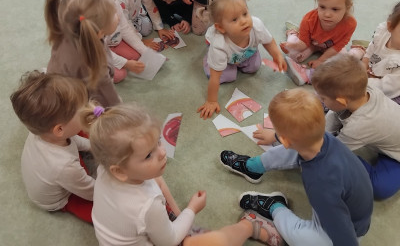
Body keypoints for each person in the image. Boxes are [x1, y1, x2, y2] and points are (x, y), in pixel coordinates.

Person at [81, 103, 283, 246]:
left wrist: (179, 217)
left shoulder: (106, 168)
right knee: (216, 241)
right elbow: (169, 241)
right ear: (119, 171)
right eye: (149, 155)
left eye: (158, 142)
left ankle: (181, 222)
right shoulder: (147, 206)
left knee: (158, 184)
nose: (162, 153)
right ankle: (250, 225)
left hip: (135, 230)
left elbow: (155, 184)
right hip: (158, 236)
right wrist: (191, 210)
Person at [220, 88, 373, 246]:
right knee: (299, 146)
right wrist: (276, 136)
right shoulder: (321, 137)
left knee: (301, 239)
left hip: (350, 228)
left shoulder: (320, 184)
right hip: (343, 199)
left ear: (284, 140)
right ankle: (254, 167)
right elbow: (297, 135)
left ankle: (275, 207)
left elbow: (344, 235)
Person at [311, 53, 400, 200]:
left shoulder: (358, 126)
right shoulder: (366, 88)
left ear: (341, 101)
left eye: (323, 98)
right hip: (388, 133)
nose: (319, 99)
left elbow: (331, 150)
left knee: (379, 189)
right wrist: (323, 132)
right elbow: (335, 112)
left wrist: (311, 144)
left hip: (396, 156)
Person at [10, 71, 95, 223]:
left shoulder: (43, 131)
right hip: (60, 199)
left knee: (79, 133)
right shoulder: (64, 166)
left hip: (57, 168)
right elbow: (91, 191)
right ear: (59, 129)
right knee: (103, 213)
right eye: (83, 110)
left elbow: (73, 138)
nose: (89, 110)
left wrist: (94, 146)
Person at [197, 0, 286, 119]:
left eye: (245, 14)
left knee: (254, 67)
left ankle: (241, 58)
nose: (244, 21)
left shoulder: (256, 25)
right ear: (221, 27)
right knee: (228, 76)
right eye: (234, 19)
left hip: (246, 53)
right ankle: (208, 60)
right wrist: (211, 101)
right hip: (225, 56)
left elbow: (268, 42)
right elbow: (215, 77)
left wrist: (277, 56)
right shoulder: (219, 44)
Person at [75, 0, 153, 83]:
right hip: (96, 52)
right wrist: (126, 63)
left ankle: (117, 52)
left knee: (137, 55)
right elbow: (101, 52)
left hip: (112, 43)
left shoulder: (114, 2)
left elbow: (125, 28)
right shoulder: (93, 19)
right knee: (118, 75)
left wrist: (147, 52)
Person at [45, 0, 121, 107]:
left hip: (58, 82)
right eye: (114, 14)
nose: (118, 15)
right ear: (99, 32)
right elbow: (110, 100)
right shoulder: (94, 62)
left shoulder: (69, 31)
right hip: (71, 102)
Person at [280, 0, 356, 85]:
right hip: (309, 43)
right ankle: (292, 33)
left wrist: (321, 60)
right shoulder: (308, 20)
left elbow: (337, 47)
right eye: (322, 7)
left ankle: (358, 49)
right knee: (293, 55)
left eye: (335, 9)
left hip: (330, 47)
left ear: (347, 7)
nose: (327, 14)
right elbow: (303, 43)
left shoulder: (350, 24)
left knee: (344, 64)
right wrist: (290, 46)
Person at [350, 1, 400, 104]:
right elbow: (372, 48)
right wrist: (365, 62)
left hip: (391, 88)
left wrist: (361, 81)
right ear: (390, 27)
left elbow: (386, 87)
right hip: (373, 72)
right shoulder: (383, 34)